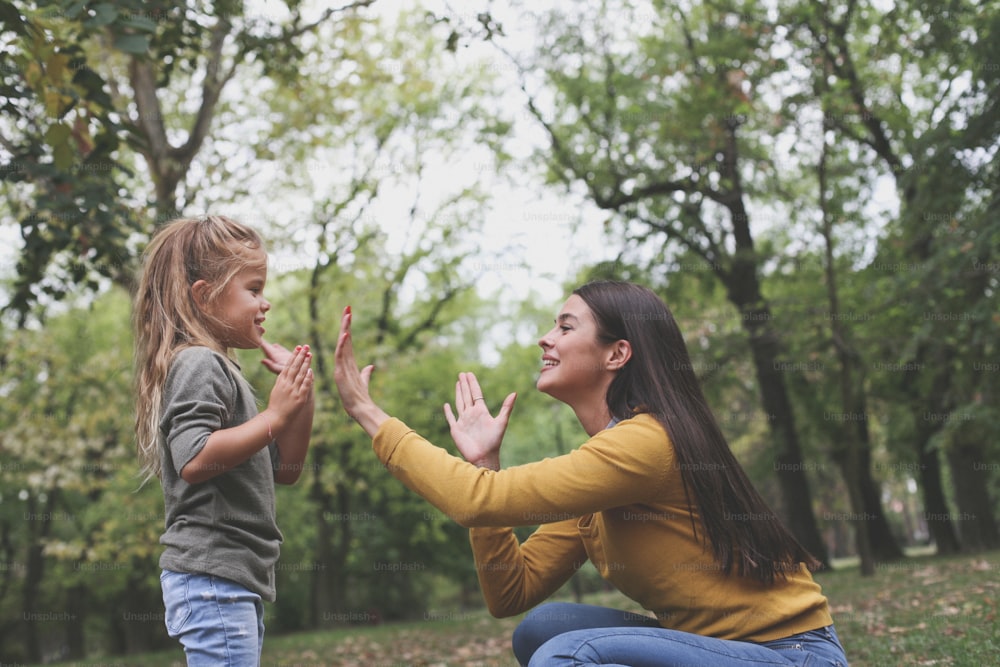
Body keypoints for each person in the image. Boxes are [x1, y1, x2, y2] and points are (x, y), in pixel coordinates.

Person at [334, 279, 849, 666]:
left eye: (564, 326)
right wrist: (483, 466)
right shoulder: (605, 467)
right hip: (717, 650)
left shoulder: (643, 443)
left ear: (617, 353)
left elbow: (475, 500)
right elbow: (511, 591)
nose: (544, 338)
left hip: (793, 655)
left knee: (567, 654)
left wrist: (369, 413)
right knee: (543, 628)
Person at [132, 215, 314, 666]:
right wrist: (275, 413)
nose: (265, 302)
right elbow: (194, 459)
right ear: (204, 295)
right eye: (253, 289)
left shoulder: (224, 371)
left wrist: (300, 403)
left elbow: (286, 470)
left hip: (233, 575)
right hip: (212, 573)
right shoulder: (198, 363)